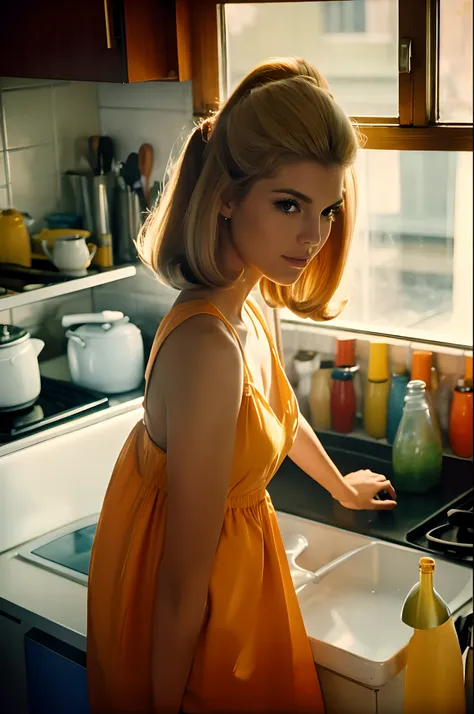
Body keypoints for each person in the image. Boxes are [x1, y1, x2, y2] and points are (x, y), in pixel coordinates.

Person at [87, 57, 397, 714]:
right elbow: (180, 586)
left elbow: (276, 409)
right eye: (289, 205)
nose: (312, 236)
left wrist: (341, 487)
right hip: (200, 631)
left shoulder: (250, 301)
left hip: (239, 590)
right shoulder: (206, 349)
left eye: (327, 210)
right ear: (227, 196)